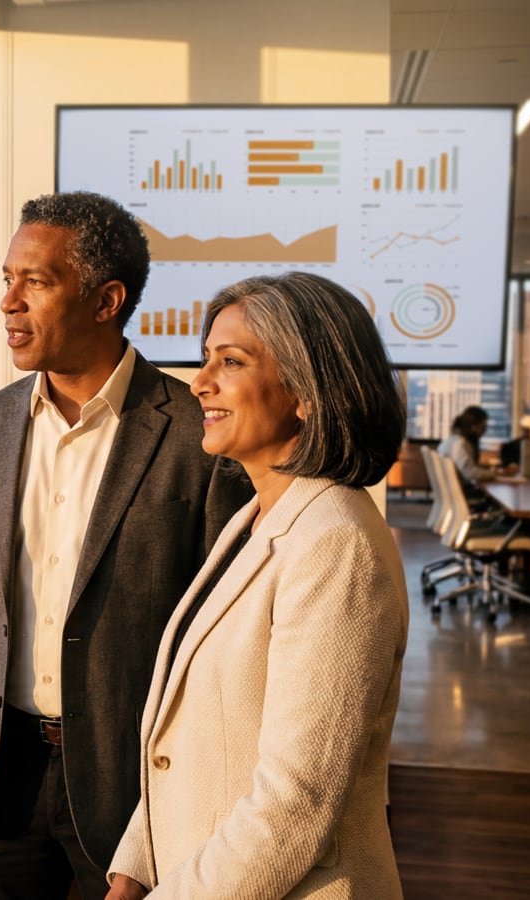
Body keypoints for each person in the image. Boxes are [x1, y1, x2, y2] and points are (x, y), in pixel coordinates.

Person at [0, 191, 250, 900]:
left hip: (134, 787)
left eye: (36, 281)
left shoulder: (198, 435)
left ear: (106, 300)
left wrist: (188, 819)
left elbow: (219, 654)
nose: (8, 303)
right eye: (7, 280)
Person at [105, 272, 408, 899]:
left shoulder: (336, 542)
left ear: (305, 390)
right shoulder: (254, 520)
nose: (201, 383)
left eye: (232, 361)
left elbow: (296, 803)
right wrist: (135, 865)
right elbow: (196, 737)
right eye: (205, 359)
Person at [437, 405, 496, 486]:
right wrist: (494, 473)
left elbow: (468, 468)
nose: (484, 432)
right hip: (462, 494)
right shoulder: (460, 444)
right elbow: (470, 473)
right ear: (474, 427)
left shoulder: (452, 440)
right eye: (483, 427)